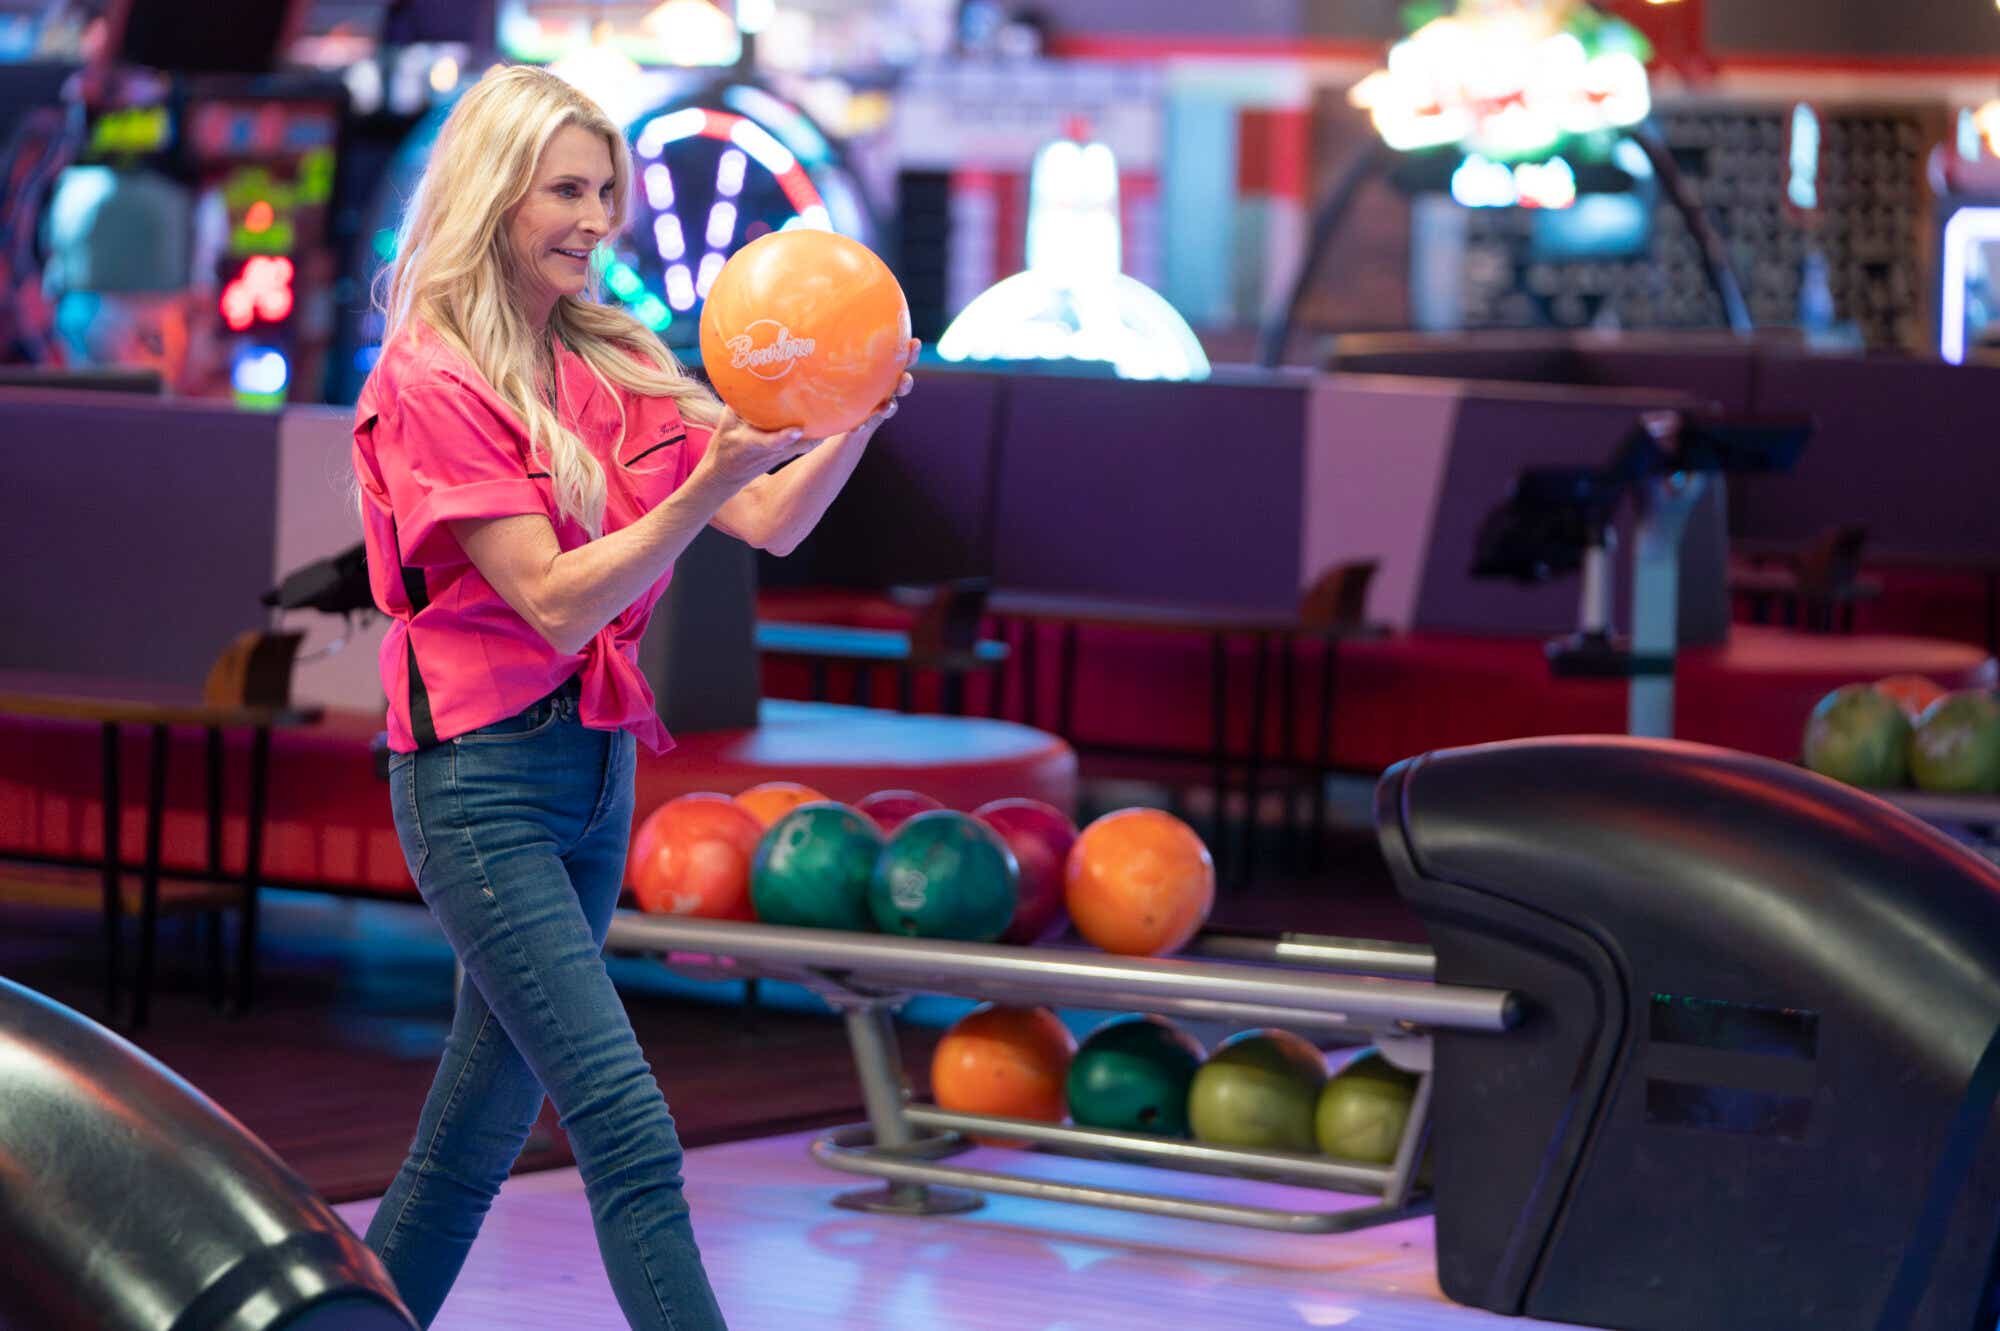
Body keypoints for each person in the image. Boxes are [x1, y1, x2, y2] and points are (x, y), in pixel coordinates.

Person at [348, 64, 915, 1330]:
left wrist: (859, 412)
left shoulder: (612, 351)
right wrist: (702, 483)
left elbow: (765, 513)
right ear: (495, 195)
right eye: (565, 189)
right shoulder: (431, 382)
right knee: (624, 1119)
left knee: (472, 1136)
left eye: (605, 189)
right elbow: (552, 601)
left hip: (592, 770)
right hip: (478, 783)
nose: (594, 216)